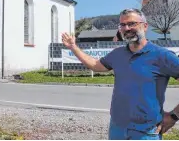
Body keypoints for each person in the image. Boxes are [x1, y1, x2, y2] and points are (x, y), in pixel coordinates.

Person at [62, 8, 179, 140]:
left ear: (145, 26)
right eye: (122, 25)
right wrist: (73, 47)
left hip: (146, 132)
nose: (126, 28)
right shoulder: (118, 54)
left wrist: (174, 116)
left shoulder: (162, 56)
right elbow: (95, 65)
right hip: (117, 129)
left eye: (132, 23)